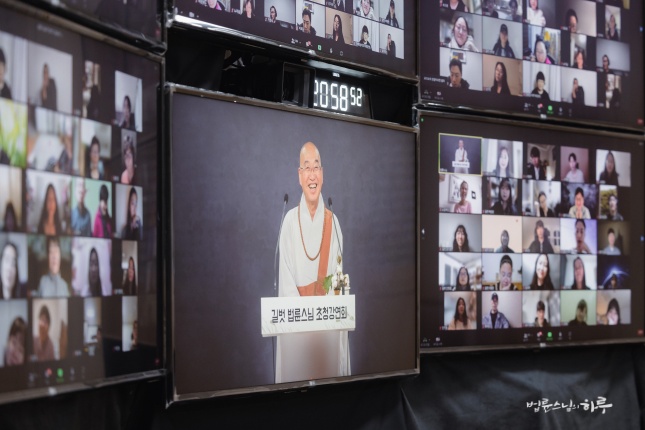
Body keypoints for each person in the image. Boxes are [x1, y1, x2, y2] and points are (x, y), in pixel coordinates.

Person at [277, 142, 349, 383]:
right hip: (296, 331)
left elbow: (336, 282)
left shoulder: (333, 223)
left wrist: (320, 319)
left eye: (316, 167)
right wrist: (304, 320)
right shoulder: (289, 222)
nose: (312, 175)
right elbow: (286, 284)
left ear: (322, 174)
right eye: (306, 168)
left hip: (325, 331)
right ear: (299, 176)